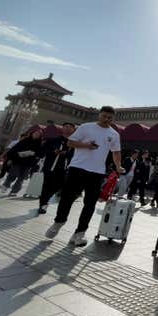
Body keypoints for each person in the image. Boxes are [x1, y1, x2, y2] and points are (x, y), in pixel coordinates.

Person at [44, 106, 124, 247]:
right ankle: (58, 222)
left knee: (90, 204)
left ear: (113, 119)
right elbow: (70, 142)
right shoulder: (86, 127)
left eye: (110, 118)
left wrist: (118, 166)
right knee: (67, 198)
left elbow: (116, 152)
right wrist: (86, 145)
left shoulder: (114, 134)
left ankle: (80, 233)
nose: (106, 119)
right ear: (99, 115)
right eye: (104, 116)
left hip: (97, 172)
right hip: (77, 168)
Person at [38, 122, 76, 214]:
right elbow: (42, 151)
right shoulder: (53, 140)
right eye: (66, 126)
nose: (67, 128)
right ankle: (43, 204)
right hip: (50, 166)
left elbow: (75, 155)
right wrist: (53, 151)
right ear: (62, 128)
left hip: (64, 168)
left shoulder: (74, 143)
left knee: (58, 185)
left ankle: (46, 198)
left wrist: (65, 153)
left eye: (70, 127)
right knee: (46, 185)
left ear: (73, 130)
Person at [1, 129, 43, 196]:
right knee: (12, 175)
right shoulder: (25, 140)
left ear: (40, 136)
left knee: (21, 178)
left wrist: (34, 154)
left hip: (27, 163)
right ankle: (6, 186)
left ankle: (14, 191)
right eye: (35, 133)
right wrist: (10, 158)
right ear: (32, 133)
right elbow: (14, 149)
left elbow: (40, 154)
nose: (36, 135)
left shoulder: (39, 144)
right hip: (17, 160)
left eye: (38, 134)